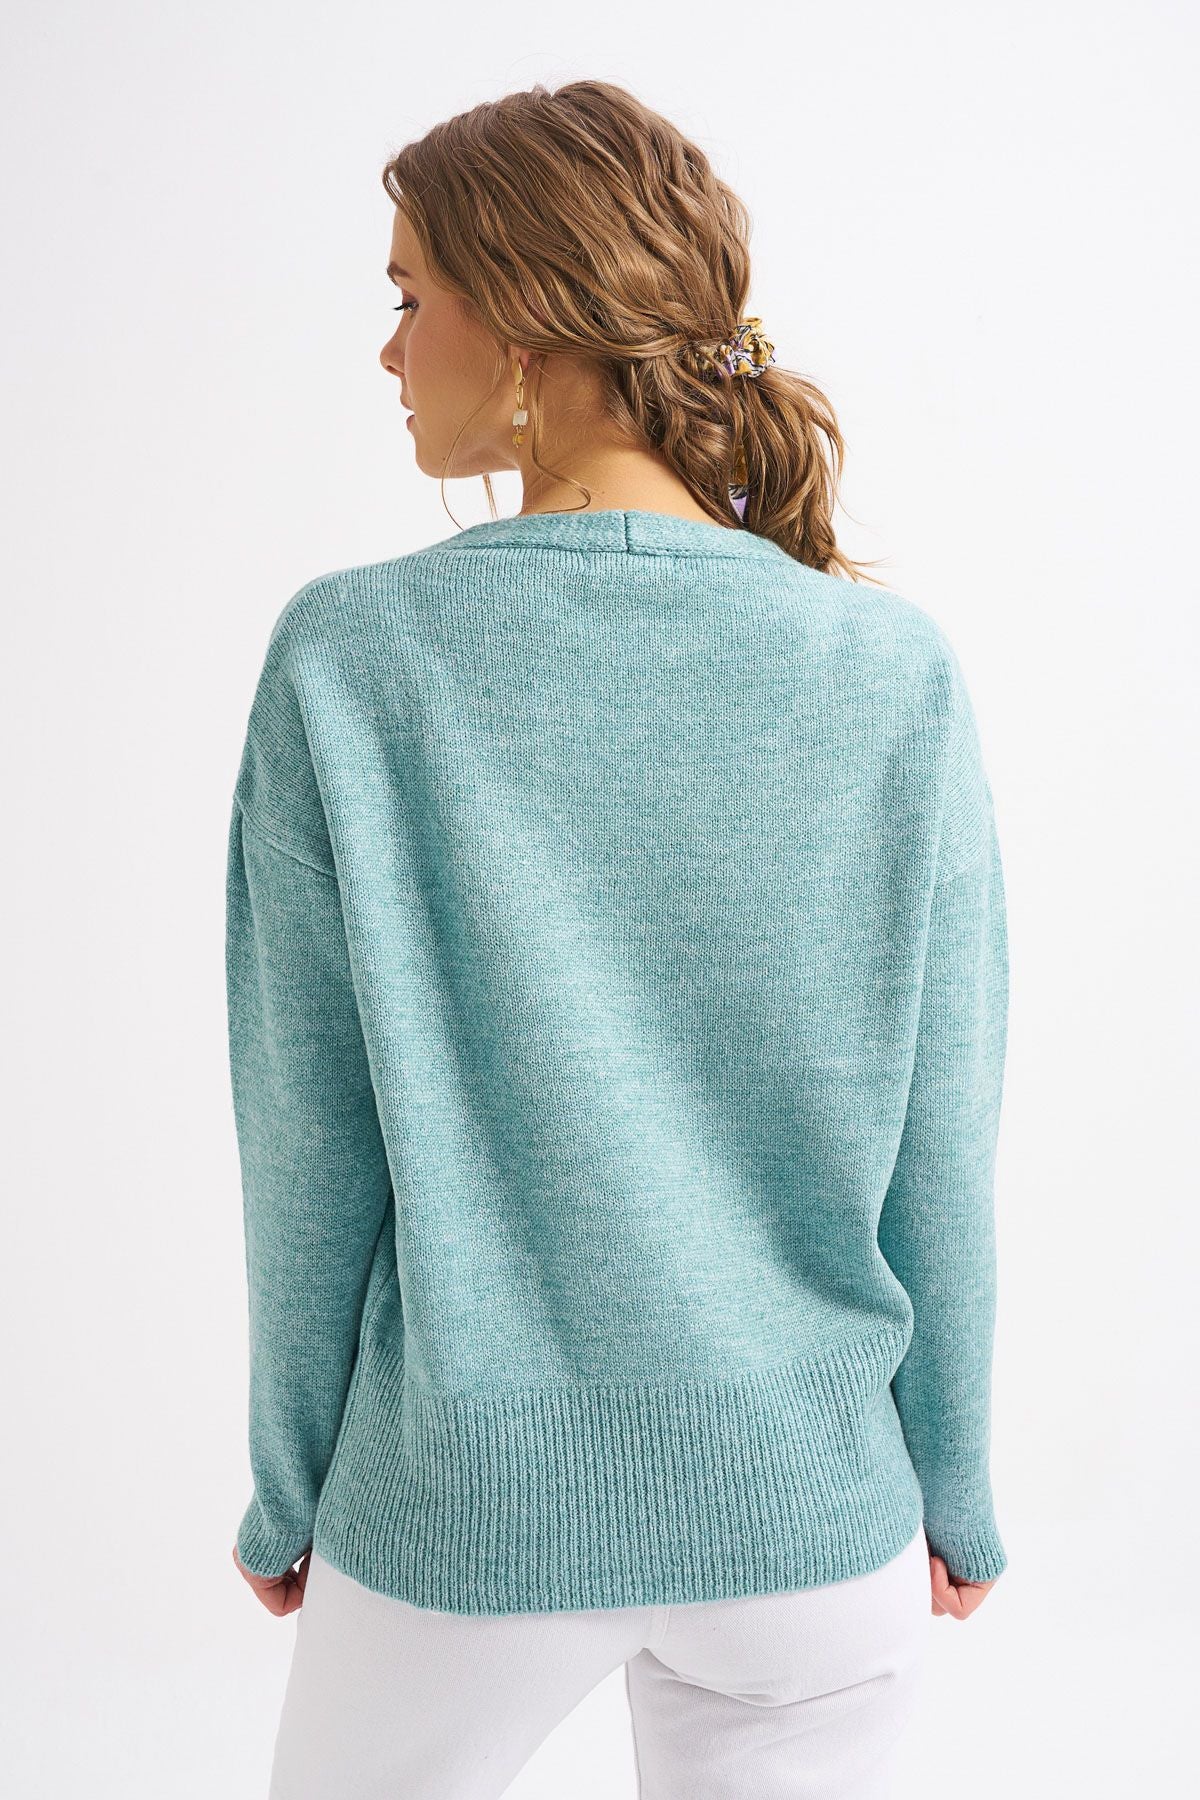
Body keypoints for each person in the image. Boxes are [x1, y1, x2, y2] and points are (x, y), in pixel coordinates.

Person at [226, 78, 1010, 1800]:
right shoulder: (890, 672)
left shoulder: (349, 662)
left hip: (462, 1512)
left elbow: (307, 1143)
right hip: (814, 1520)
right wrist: (952, 1481)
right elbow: (940, 1131)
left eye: (410, 295)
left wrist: (291, 1482)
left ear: (523, 321)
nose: (388, 349)